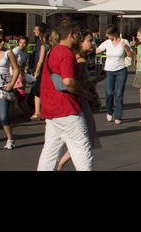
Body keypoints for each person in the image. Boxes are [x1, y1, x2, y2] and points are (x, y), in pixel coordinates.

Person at [35, 21, 96, 172]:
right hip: (68, 109)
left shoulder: (52, 51)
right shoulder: (66, 53)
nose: (80, 38)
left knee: (50, 151)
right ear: (71, 35)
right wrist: (85, 94)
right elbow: (68, 81)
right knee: (81, 149)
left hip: (51, 110)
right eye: (79, 35)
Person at [57, 31, 103, 170]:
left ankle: (59, 165)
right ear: (81, 42)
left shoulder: (77, 58)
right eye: (90, 40)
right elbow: (81, 84)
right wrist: (98, 79)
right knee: (83, 140)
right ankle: (60, 165)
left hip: (74, 102)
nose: (92, 43)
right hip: (80, 102)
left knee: (76, 139)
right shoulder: (80, 61)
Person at [96, 25, 133, 123]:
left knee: (119, 93)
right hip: (109, 70)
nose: (107, 36)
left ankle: (118, 116)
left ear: (114, 34)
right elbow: (97, 50)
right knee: (109, 93)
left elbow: (131, 55)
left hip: (121, 70)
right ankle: (109, 111)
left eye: (108, 35)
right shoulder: (107, 43)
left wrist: (126, 48)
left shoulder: (124, 41)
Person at [27, 27, 50, 119]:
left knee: (37, 92)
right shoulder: (52, 46)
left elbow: (40, 60)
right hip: (49, 71)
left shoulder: (43, 46)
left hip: (42, 71)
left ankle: (37, 112)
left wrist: (36, 71)